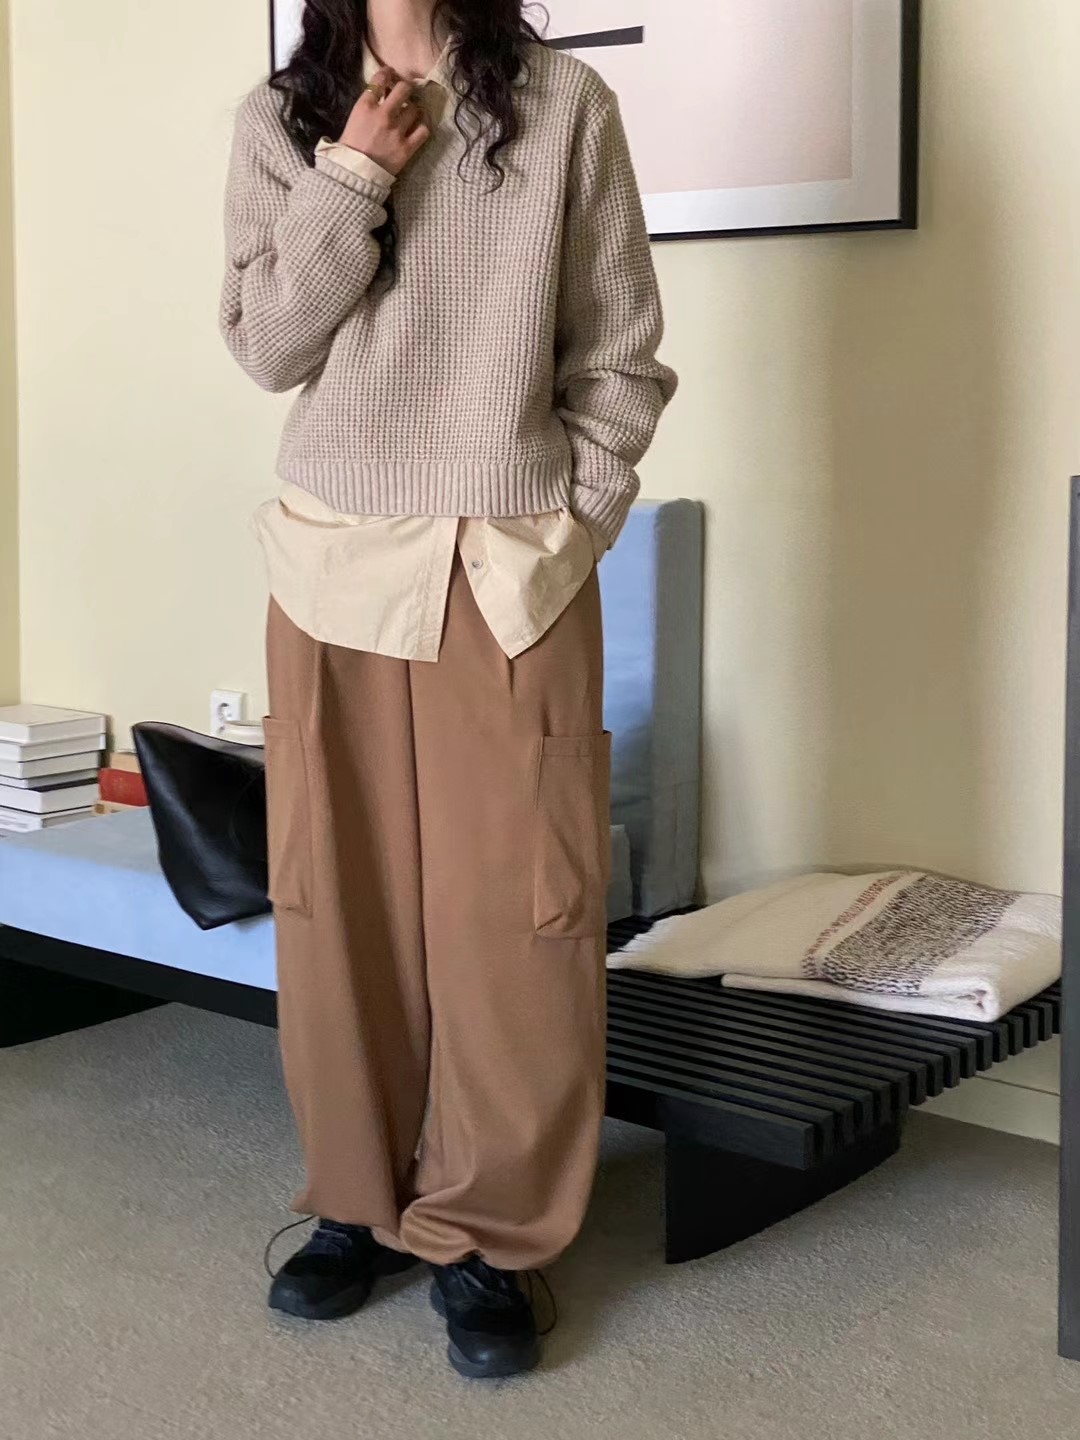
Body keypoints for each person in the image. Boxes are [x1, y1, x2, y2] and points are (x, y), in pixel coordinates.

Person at [219, 0, 677, 1379]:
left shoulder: (563, 105)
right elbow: (266, 345)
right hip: (334, 565)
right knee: (335, 897)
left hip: (509, 567)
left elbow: (619, 352)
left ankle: (492, 1232)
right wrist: (353, 175)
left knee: (519, 913)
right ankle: (356, 1200)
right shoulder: (282, 117)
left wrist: (572, 524)